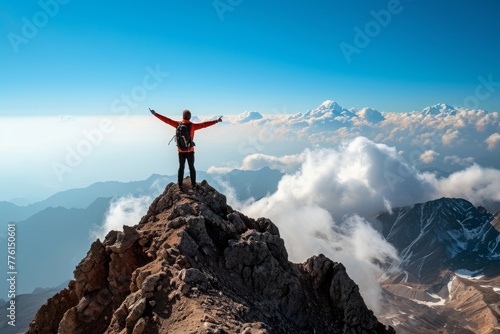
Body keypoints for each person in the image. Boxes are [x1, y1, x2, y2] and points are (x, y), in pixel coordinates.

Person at [149, 108, 222, 191]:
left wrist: (155, 114)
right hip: (190, 151)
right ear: (190, 117)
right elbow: (204, 124)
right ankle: (194, 185)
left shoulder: (178, 124)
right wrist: (216, 121)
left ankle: (180, 186)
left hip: (180, 151)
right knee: (191, 168)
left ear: (183, 116)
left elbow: (167, 120)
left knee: (181, 167)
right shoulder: (193, 126)